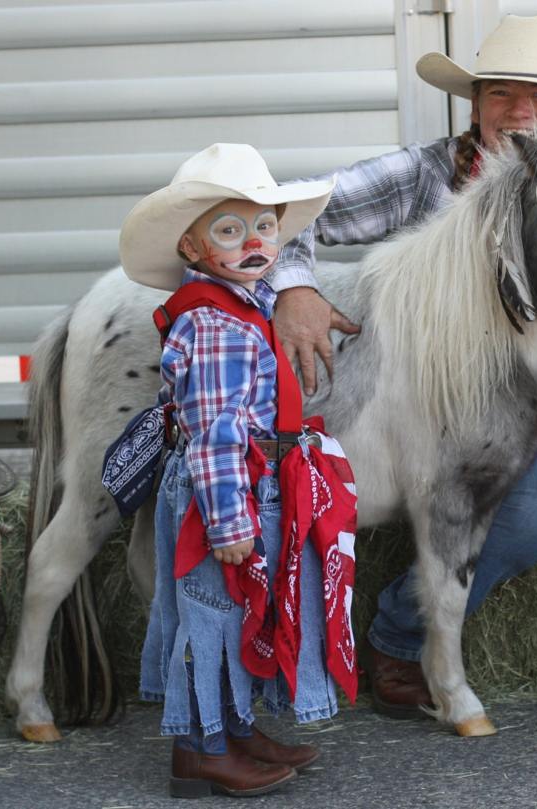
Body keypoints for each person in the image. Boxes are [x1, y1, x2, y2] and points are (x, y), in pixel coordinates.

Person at [268, 15, 537, 722]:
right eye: (500, 93)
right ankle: (399, 636)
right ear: (474, 106)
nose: (519, 112)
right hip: (467, 415)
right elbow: (285, 210)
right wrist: (293, 287)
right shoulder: (424, 175)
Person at [118, 143, 351, 798]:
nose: (253, 242)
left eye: (265, 227)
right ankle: (199, 750)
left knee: (241, 606)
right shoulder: (216, 324)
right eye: (229, 230)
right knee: (211, 612)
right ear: (192, 248)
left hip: (253, 482)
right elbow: (218, 430)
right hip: (223, 492)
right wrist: (228, 521)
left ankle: (235, 725)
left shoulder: (244, 305)